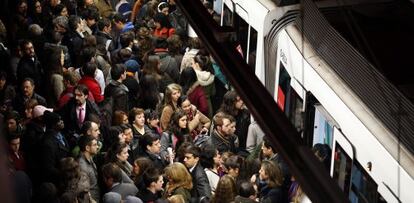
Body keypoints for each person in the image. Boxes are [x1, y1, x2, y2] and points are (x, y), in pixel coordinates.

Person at [78, 135, 100, 202]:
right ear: (87, 148)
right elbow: (84, 189)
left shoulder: (90, 158)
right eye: (95, 145)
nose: (97, 147)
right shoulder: (82, 166)